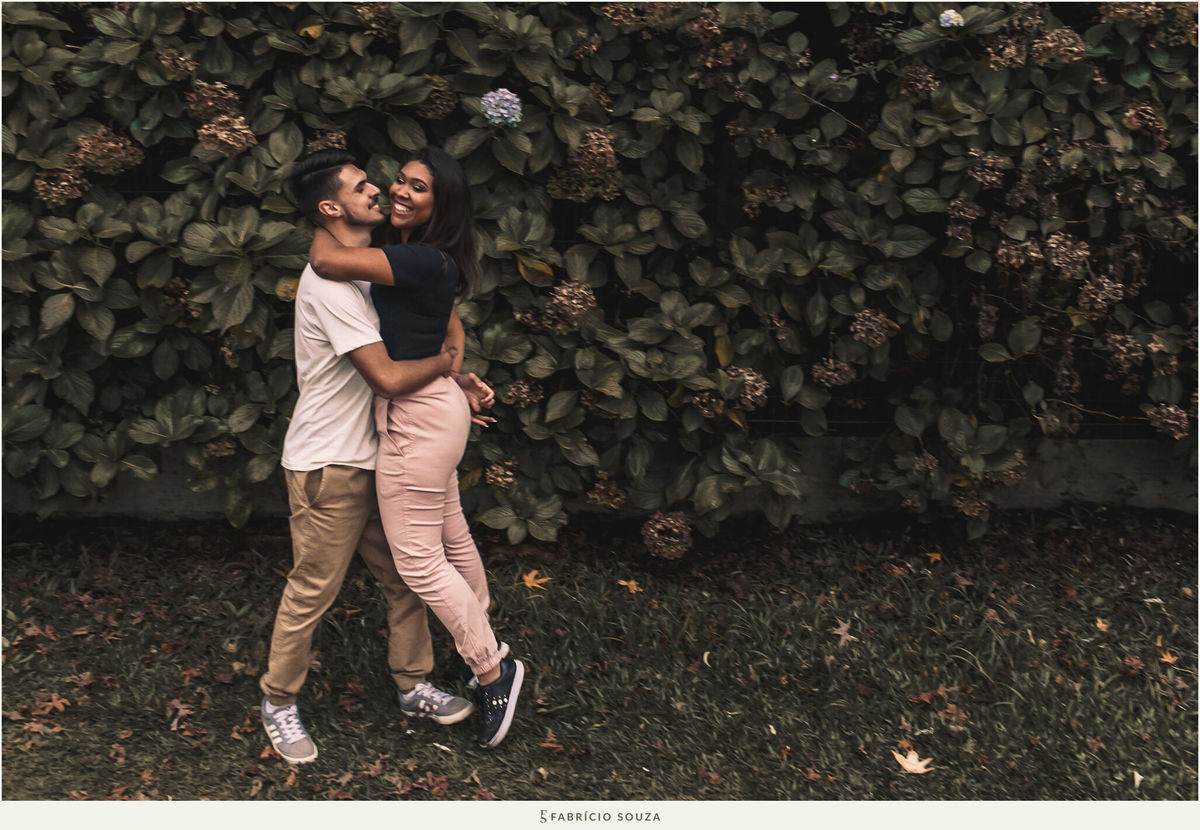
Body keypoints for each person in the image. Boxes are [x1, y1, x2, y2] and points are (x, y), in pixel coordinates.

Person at [260, 149, 477, 764]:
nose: (379, 190)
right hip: (330, 464)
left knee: (408, 575)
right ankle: (278, 701)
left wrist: (451, 375)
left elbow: (439, 317)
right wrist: (444, 367)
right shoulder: (328, 283)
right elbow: (385, 374)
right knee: (313, 589)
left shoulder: (366, 267)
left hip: (380, 453)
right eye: (362, 187)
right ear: (331, 208)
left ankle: (414, 685)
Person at [308, 145, 524, 749]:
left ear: (442, 204)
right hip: (437, 406)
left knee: (418, 560)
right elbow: (447, 325)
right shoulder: (431, 261)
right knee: (451, 537)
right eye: (398, 180)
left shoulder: (415, 258)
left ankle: (491, 670)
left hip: (416, 415)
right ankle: (484, 643)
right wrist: (452, 365)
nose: (399, 192)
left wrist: (325, 215)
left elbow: (326, 261)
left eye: (418, 188)